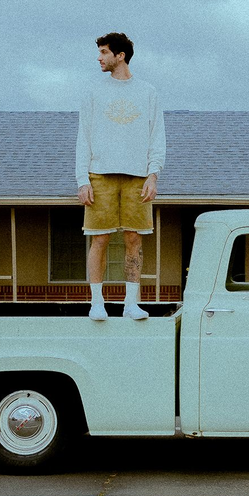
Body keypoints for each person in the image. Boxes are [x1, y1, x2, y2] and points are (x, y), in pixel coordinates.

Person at [76, 32, 166, 320]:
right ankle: (97, 303)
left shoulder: (148, 92)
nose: (99, 58)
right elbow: (83, 138)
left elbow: (157, 136)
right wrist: (82, 179)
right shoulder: (93, 92)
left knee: (134, 239)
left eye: (104, 52)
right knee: (99, 239)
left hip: (137, 176)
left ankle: (130, 304)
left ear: (120, 55)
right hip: (100, 174)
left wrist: (153, 175)